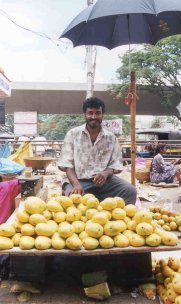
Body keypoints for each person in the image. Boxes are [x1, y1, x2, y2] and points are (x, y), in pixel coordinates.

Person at [58, 97, 137, 204]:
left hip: (105, 182)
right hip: (78, 180)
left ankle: (118, 218)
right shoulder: (72, 134)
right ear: (85, 114)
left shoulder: (111, 137)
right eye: (90, 113)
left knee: (130, 191)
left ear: (102, 114)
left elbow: (115, 165)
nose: (94, 117)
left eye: (98, 113)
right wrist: (76, 185)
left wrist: (105, 173)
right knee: (74, 201)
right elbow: (67, 165)